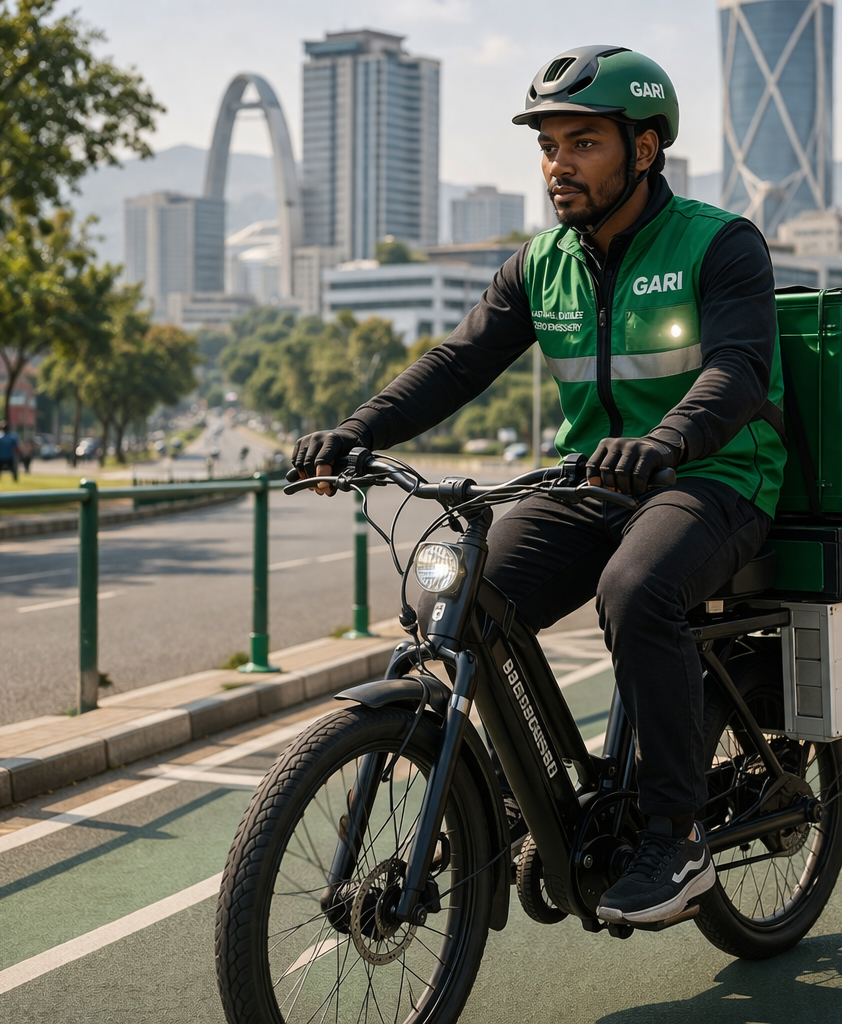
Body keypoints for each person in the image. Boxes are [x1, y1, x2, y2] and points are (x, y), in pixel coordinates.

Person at [292, 46, 783, 926]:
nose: (559, 164)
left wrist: (665, 439)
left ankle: (676, 838)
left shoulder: (720, 244)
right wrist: (357, 430)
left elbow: (741, 369)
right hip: (589, 482)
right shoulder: (543, 261)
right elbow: (457, 363)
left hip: (713, 477)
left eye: (583, 142)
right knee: (456, 589)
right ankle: (524, 792)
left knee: (636, 591)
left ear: (644, 148)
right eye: (549, 145)